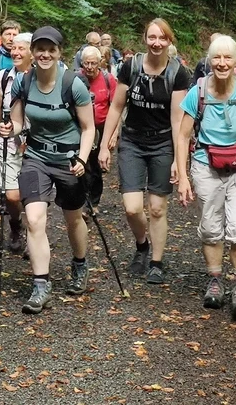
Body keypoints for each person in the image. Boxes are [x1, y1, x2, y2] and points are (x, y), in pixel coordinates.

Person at [175, 35, 236, 321]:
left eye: (227, 58)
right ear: (209, 61)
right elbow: (182, 137)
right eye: (216, 58)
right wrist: (182, 176)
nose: (221, 63)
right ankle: (215, 280)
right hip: (206, 165)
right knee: (210, 226)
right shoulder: (198, 92)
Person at [0, 27, 95, 313]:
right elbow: (17, 122)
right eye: (40, 48)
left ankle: (79, 263)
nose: (44, 54)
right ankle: (41, 284)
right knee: (34, 218)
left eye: (50, 49)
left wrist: (82, 159)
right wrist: (9, 128)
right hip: (36, 156)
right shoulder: (24, 83)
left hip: (69, 160)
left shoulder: (73, 85)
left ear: (59, 53)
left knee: (73, 219)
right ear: (32, 52)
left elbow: (89, 128)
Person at [99, 18, 192, 284]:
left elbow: (178, 120)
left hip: (162, 143)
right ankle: (142, 244)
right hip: (132, 142)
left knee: (158, 207)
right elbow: (116, 107)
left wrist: (178, 160)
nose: (156, 43)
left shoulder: (178, 73)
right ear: (145, 38)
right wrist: (105, 145)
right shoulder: (131, 67)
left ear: (169, 41)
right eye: (152, 37)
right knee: (132, 207)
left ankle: (156, 261)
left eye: (162, 38)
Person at [0, 31, 32, 254]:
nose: (15, 52)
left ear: (32, 53)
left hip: (35, 142)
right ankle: (16, 225)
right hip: (8, 141)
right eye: (13, 48)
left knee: (35, 194)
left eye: (21, 49)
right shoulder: (3, 76)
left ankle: (34, 235)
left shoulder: (41, 77)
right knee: (12, 195)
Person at [79, 46, 115, 205]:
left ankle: (93, 202)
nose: (89, 67)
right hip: (82, 128)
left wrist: (114, 135)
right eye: (86, 63)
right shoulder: (76, 79)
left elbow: (116, 107)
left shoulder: (108, 80)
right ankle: (82, 199)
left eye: (93, 63)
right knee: (83, 165)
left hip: (101, 128)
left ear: (100, 62)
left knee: (96, 167)